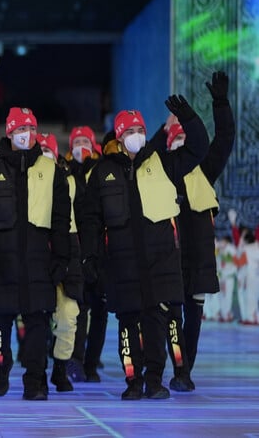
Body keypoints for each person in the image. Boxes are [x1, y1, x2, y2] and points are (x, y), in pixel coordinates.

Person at [79, 95, 208, 400]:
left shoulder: (163, 162)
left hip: (160, 262)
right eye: (130, 131)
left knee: (156, 323)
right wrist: (90, 256)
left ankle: (154, 380)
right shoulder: (103, 172)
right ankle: (133, 381)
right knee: (127, 325)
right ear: (120, 137)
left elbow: (198, 147)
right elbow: (90, 219)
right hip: (122, 264)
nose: (136, 135)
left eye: (140, 129)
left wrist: (188, 117)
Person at [0, 107, 71, 400]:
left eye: (32, 129)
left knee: (38, 323)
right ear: (10, 133)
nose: (28, 135)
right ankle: (1, 367)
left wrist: (62, 259)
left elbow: (62, 220)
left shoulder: (52, 170)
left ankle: (35, 381)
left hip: (39, 260)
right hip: (3, 260)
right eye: (22, 129)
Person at [156, 72, 234, 391]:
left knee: (194, 321)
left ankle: (185, 369)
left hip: (199, 259)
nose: (180, 141)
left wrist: (221, 103)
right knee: (172, 320)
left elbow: (225, 138)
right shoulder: (161, 171)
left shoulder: (205, 171)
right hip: (169, 258)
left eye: (183, 137)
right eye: (175, 137)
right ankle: (179, 369)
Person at [38, 133, 82, 393]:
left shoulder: (72, 182)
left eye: (48, 151)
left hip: (69, 249)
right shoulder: (28, 183)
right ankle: (39, 367)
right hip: (39, 249)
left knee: (68, 316)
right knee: (38, 317)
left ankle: (61, 366)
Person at [64, 126, 106, 383]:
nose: (81, 145)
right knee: (77, 308)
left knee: (100, 310)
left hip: (99, 249)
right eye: (77, 141)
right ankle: (75, 360)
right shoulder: (65, 172)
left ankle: (92, 362)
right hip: (73, 247)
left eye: (85, 141)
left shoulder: (102, 171)